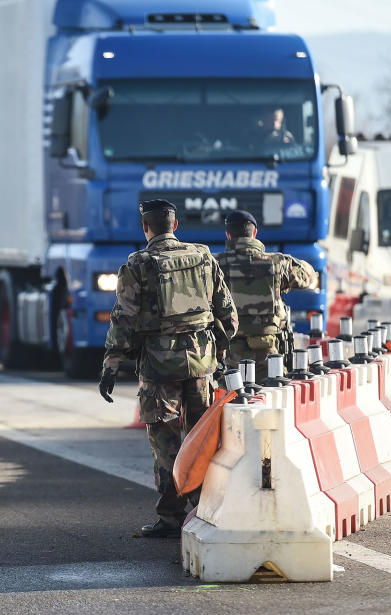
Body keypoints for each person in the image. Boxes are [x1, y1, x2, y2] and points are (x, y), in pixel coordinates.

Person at [98, 199, 238, 539]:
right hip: (202, 363)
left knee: (165, 440)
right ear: (175, 226)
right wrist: (218, 348)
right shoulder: (203, 255)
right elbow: (228, 313)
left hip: (160, 367)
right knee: (204, 436)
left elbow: (124, 319)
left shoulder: (138, 264)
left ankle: (172, 515)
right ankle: (208, 507)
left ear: (146, 227)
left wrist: (111, 366)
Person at [215, 210, 317, 376]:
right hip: (268, 353)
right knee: (271, 394)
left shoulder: (214, 265)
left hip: (228, 353)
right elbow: (308, 276)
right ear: (254, 233)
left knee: (231, 397)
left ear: (228, 235)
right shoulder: (278, 262)